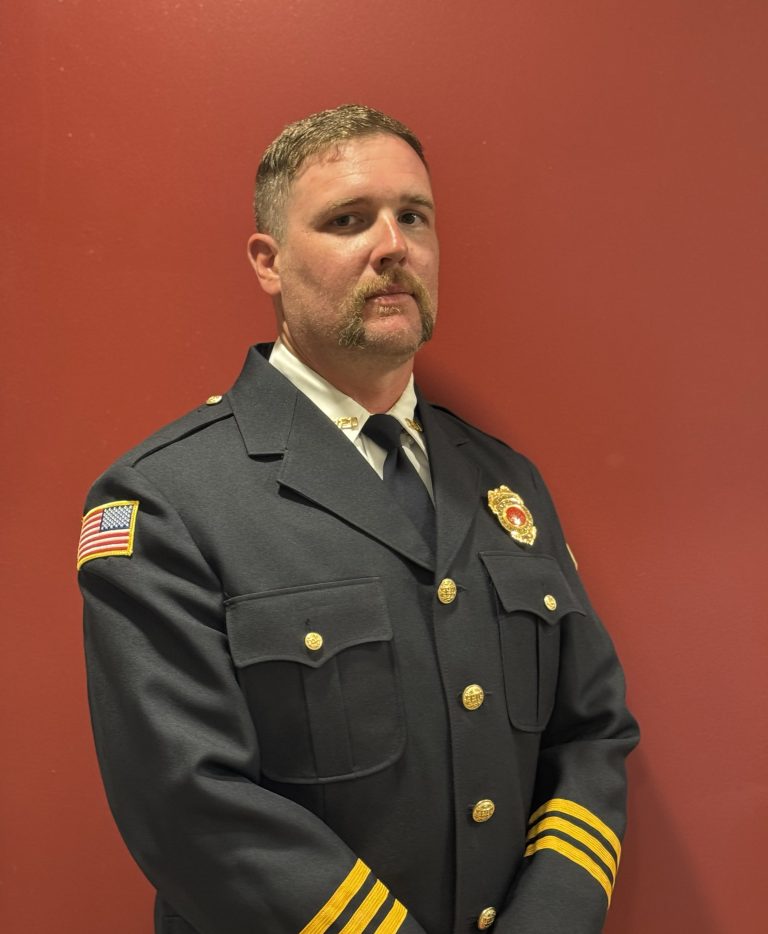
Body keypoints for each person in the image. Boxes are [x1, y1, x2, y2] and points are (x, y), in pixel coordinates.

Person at [78, 104, 638, 934]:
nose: (394, 247)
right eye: (348, 220)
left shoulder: (505, 484)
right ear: (268, 262)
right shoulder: (166, 501)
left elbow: (591, 734)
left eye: (414, 216)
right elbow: (189, 806)